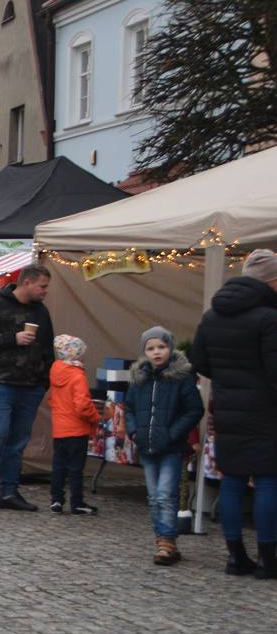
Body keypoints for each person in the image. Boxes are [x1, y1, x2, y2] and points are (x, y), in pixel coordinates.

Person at [191, 248, 277, 578]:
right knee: (268, 480)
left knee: (232, 479)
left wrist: (229, 379)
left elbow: (200, 361)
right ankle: (268, 559)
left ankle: (235, 556)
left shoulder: (212, 316)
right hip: (266, 410)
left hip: (227, 406)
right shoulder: (269, 318)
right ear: (270, 281)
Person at [0, 264, 54, 512]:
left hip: (31, 386)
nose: (45, 291)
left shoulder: (41, 312)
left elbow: (47, 346)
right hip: (1, 382)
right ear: (27, 282)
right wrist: (11, 339)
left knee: (18, 441)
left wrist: (44, 380)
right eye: (42, 286)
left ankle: (9, 492)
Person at [123, 326, 205, 566]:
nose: (156, 352)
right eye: (151, 348)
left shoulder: (182, 378)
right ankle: (163, 539)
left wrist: (173, 434)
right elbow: (129, 407)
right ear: (144, 352)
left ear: (170, 347)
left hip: (171, 447)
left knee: (165, 495)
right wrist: (134, 431)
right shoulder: (139, 378)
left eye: (161, 346)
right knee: (153, 497)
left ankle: (167, 542)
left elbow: (194, 409)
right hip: (147, 445)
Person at [47, 334, 101, 515]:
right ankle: (77, 502)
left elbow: (52, 400)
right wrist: (95, 417)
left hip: (59, 429)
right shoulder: (78, 376)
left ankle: (56, 500)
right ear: (75, 354)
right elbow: (82, 405)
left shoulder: (55, 372)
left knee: (59, 466)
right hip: (77, 430)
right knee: (75, 468)